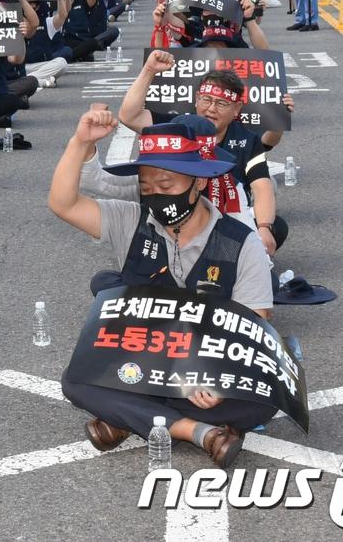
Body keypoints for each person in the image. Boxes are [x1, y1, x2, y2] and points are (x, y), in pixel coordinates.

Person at [48, 108, 276, 468]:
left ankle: (125, 419)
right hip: (145, 361)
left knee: (263, 397)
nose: (157, 196)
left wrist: (214, 380)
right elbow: (63, 204)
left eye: (167, 187)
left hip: (209, 364)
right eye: (147, 188)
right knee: (77, 380)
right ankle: (198, 431)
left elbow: (254, 326)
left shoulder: (239, 242)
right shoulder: (131, 220)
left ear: (198, 182)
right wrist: (80, 142)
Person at [119, 52, 291, 254]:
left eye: (221, 103)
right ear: (196, 99)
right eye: (206, 100)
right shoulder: (177, 126)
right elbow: (128, 116)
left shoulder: (247, 139)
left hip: (225, 216)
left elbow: (261, 186)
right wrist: (149, 71)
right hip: (174, 214)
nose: (211, 109)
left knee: (276, 227)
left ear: (237, 109)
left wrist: (263, 228)